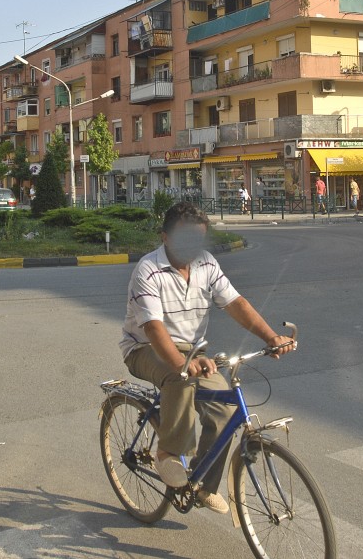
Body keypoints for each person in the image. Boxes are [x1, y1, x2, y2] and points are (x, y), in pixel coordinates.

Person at [120, 203, 295, 514]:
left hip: (192, 349)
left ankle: (200, 486)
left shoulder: (206, 264)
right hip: (145, 348)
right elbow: (154, 328)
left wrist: (271, 338)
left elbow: (235, 303)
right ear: (165, 236)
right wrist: (180, 363)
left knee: (225, 411)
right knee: (180, 375)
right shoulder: (148, 269)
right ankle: (168, 455)